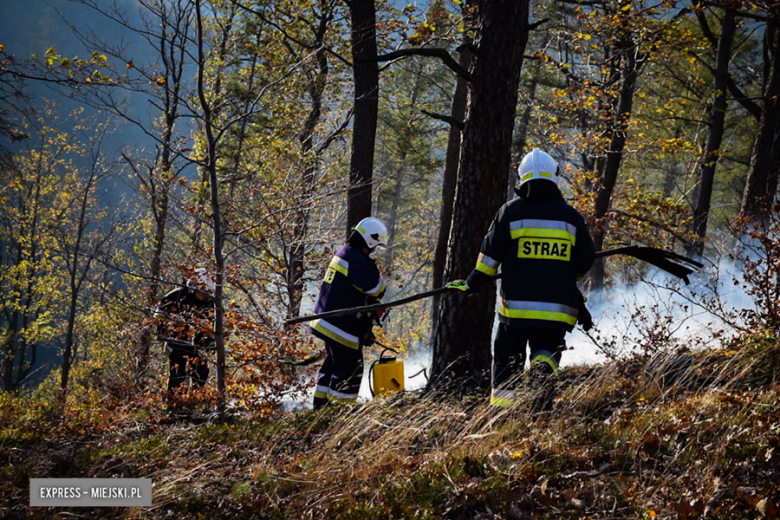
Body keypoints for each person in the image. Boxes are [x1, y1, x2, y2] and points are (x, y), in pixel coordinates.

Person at [446, 149, 595, 409]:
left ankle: (502, 417)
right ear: (555, 177)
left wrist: (470, 285)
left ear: (522, 177)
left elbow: (489, 261)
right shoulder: (572, 218)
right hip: (556, 312)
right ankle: (540, 404)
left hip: (515, 312)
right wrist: (566, 278)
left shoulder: (510, 213)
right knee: (546, 353)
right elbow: (585, 260)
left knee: (506, 360)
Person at [311, 218, 389, 409]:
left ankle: (320, 410)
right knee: (350, 370)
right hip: (340, 326)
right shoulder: (357, 261)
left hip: (327, 321)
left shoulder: (345, 253)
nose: (374, 250)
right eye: (376, 245)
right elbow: (374, 289)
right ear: (369, 241)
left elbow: (353, 292)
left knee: (332, 366)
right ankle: (340, 414)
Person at [154, 268, 215, 394]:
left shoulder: (212, 303)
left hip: (198, 345)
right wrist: (163, 333)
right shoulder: (177, 296)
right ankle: (174, 407)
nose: (205, 298)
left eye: (208, 294)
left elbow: (216, 328)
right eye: (203, 294)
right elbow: (159, 315)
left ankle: (195, 402)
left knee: (201, 374)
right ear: (193, 288)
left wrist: (207, 343)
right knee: (177, 375)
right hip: (175, 342)